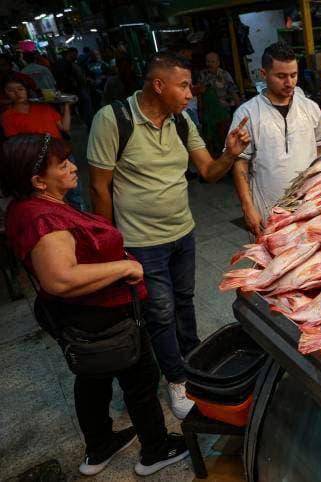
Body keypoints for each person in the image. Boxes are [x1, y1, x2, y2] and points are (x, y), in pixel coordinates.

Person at [1, 134, 189, 477]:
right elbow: (60, 278)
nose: (74, 168)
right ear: (38, 181)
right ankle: (156, 450)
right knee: (141, 380)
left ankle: (100, 446)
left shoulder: (30, 206)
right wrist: (126, 266)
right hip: (101, 317)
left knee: (92, 378)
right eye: (63, 165)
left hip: (76, 319)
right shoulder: (41, 219)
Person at [87, 52, 251, 419]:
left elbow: (208, 171)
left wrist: (229, 154)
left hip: (183, 232)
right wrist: (110, 248)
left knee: (184, 301)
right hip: (141, 241)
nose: (190, 93)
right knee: (160, 313)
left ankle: (193, 365)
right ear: (158, 85)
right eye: (183, 85)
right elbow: (99, 188)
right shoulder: (113, 119)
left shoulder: (180, 121)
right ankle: (177, 380)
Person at [228, 42, 321, 236]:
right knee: (272, 263)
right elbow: (240, 164)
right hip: (267, 208)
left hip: (310, 204)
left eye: (293, 75)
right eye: (281, 76)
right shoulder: (247, 113)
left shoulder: (309, 108)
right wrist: (247, 207)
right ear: (263, 74)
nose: (289, 83)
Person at [2, 78, 71, 138]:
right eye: (11, 91)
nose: (17, 93)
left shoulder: (44, 107)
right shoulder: (7, 117)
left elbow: (64, 128)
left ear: (26, 90)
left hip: (58, 149)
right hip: (35, 152)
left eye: (20, 89)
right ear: (6, 93)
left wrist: (66, 105)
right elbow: (14, 142)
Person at [198, 52, 239, 152]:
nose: (209, 64)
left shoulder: (225, 74)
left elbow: (233, 91)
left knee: (225, 139)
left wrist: (239, 107)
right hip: (209, 113)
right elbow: (199, 93)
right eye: (208, 61)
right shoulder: (203, 74)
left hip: (224, 111)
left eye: (212, 61)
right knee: (210, 141)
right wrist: (200, 109)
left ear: (218, 62)